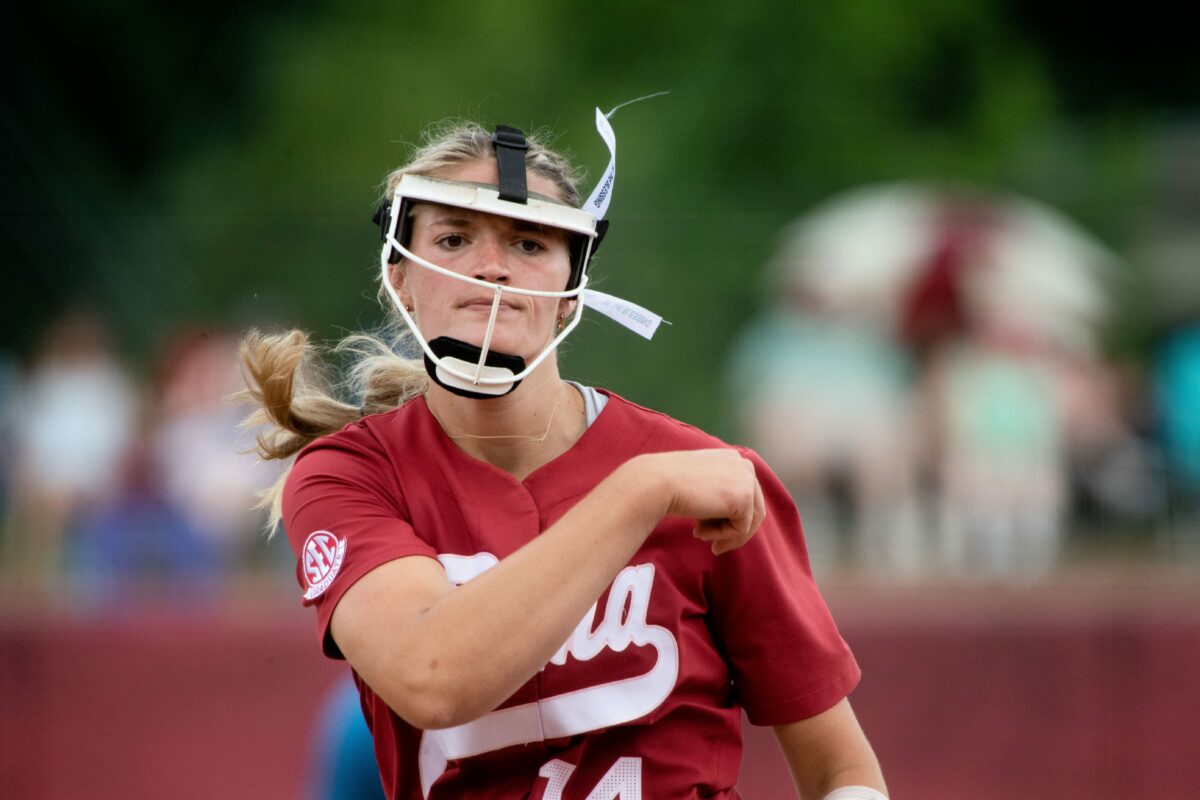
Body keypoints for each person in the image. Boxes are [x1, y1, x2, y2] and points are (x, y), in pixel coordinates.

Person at [239, 112, 886, 799]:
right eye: (454, 239)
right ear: (400, 276)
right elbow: (432, 678)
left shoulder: (707, 477)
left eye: (528, 242)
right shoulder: (349, 476)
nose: (491, 267)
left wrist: (654, 479)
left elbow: (842, 772)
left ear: (573, 288)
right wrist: (640, 493)